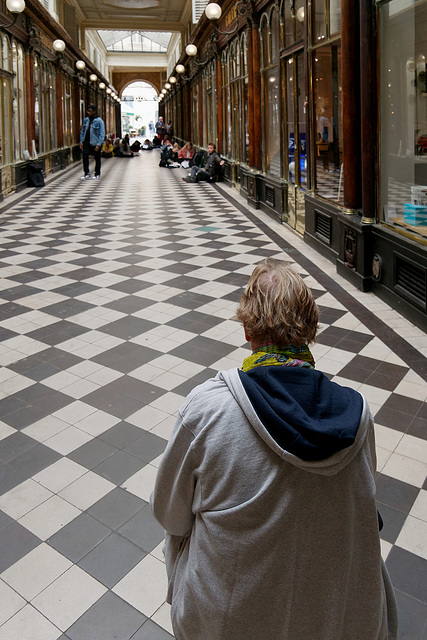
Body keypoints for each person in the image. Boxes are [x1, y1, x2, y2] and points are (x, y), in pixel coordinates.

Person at [151, 258, 398, 640]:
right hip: (335, 617)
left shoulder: (207, 409)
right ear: (311, 330)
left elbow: (170, 515)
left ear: (248, 329)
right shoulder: (359, 415)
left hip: (231, 620)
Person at [79, 104, 105, 179]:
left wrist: (99, 144)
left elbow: (102, 133)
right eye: (88, 111)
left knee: (97, 158)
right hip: (86, 141)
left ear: (94, 112)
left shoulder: (99, 121)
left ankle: (97, 173)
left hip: (95, 142)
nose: (88, 113)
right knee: (85, 156)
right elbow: (83, 131)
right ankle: (86, 173)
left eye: (90, 111)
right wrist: (81, 141)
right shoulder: (86, 120)